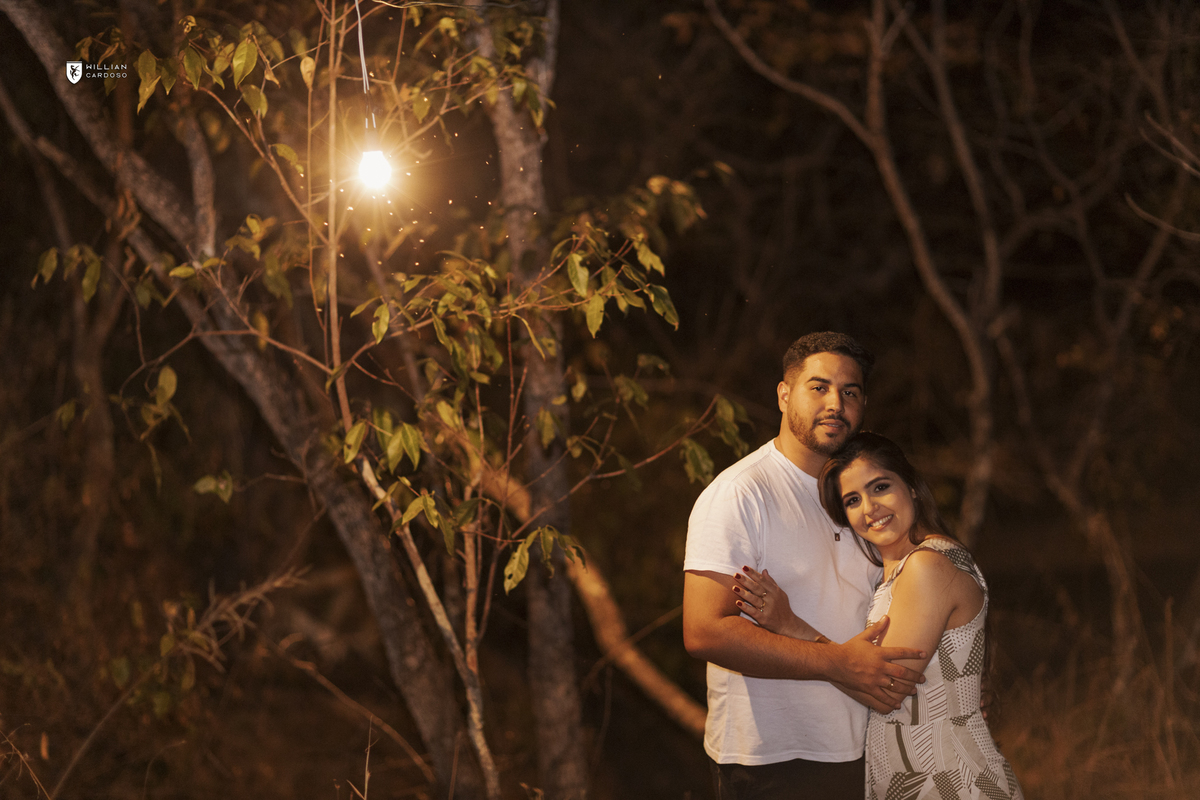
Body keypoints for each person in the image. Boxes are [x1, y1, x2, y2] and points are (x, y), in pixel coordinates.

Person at [683, 332, 927, 800]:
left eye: (849, 392)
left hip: (868, 747)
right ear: (784, 394)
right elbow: (705, 630)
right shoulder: (741, 494)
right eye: (819, 387)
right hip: (773, 760)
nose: (835, 403)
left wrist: (960, 681)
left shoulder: (865, 498)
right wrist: (838, 662)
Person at [736, 432, 1024, 800]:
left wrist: (791, 626)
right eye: (853, 500)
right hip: (921, 778)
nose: (869, 508)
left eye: (880, 486)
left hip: (951, 781)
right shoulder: (906, 567)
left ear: (913, 488)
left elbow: (886, 689)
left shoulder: (926, 567)